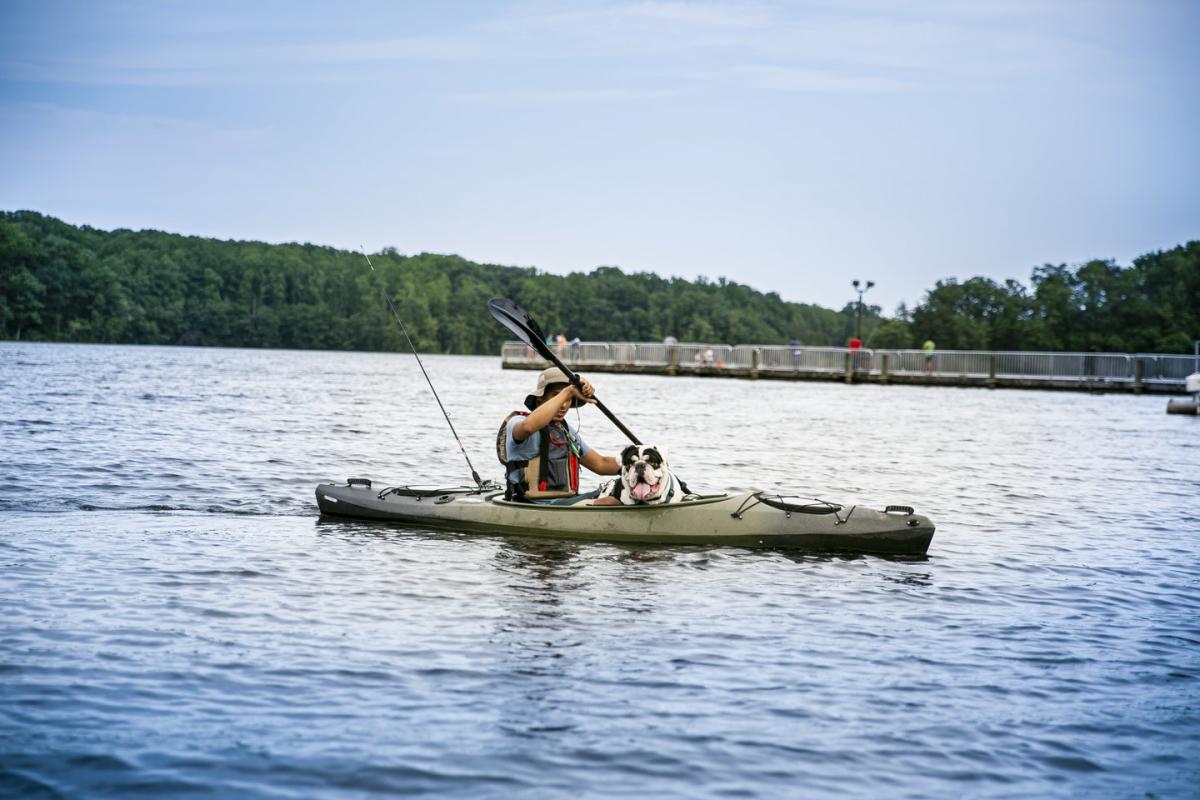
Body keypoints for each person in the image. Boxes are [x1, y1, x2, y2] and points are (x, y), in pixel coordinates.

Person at [497, 367, 620, 503]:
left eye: (569, 399)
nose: (564, 404)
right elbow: (528, 427)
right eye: (556, 395)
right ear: (540, 400)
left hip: (565, 503)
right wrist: (568, 391)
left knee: (621, 490)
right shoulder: (518, 422)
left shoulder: (565, 431)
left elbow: (600, 464)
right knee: (612, 501)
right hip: (531, 504)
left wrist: (635, 462)